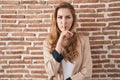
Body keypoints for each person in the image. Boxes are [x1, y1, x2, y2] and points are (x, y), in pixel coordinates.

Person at [43, 2, 92, 80]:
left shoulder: (83, 40)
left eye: (68, 17)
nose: (64, 21)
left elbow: (87, 71)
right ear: (55, 20)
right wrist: (59, 44)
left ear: (73, 19)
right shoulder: (48, 42)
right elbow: (50, 72)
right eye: (60, 17)